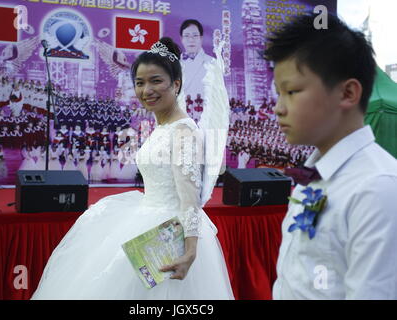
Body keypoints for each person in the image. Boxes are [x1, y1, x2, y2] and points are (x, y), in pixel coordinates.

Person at [31, 37, 234, 299]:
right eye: (140, 83)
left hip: (169, 236)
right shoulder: (163, 126)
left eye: (156, 81)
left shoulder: (184, 131)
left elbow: (189, 198)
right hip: (144, 223)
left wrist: (191, 250)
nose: (146, 90)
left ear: (176, 84)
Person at [264, 13, 397, 300]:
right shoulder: (309, 178)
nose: (278, 108)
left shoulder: (378, 188)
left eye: (292, 91)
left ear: (348, 93)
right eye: (278, 93)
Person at [179, 19, 214, 105]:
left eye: (195, 35)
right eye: (187, 36)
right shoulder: (177, 64)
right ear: (182, 39)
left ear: (201, 38)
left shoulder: (212, 63)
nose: (191, 40)